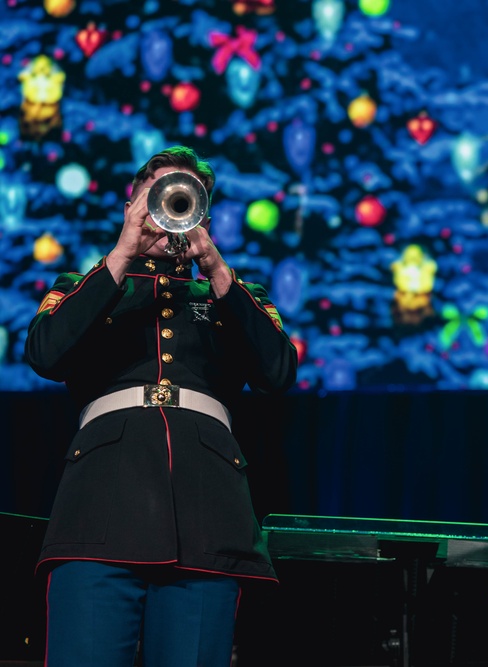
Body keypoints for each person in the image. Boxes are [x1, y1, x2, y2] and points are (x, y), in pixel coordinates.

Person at [24, 146, 298, 667]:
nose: (168, 207)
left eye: (184, 196)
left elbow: (278, 372)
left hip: (208, 514)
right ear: (133, 204)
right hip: (100, 511)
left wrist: (213, 263)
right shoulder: (86, 287)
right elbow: (44, 353)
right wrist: (123, 253)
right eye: (157, 195)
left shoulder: (233, 294)